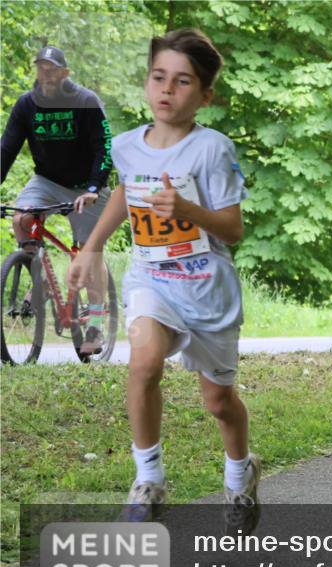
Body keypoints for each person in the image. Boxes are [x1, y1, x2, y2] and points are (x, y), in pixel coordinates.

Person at [68, 28, 259, 532]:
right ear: (147, 83)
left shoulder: (212, 150)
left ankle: (240, 474)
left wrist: (189, 209)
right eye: (159, 78)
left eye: (181, 82)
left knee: (218, 403)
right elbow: (124, 194)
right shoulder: (128, 145)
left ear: (204, 95)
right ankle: (148, 479)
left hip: (207, 290)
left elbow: (234, 229)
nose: (167, 91)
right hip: (152, 280)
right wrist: (92, 248)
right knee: (144, 361)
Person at [1, 45, 114, 353]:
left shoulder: (86, 101)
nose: (46, 74)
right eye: (41, 68)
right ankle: (38, 279)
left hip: (86, 186)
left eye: (52, 69)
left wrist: (93, 188)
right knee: (21, 218)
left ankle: (95, 325)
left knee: (89, 253)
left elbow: (105, 147)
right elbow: (6, 149)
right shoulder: (26, 105)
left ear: (65, 73)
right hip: (47, 181)